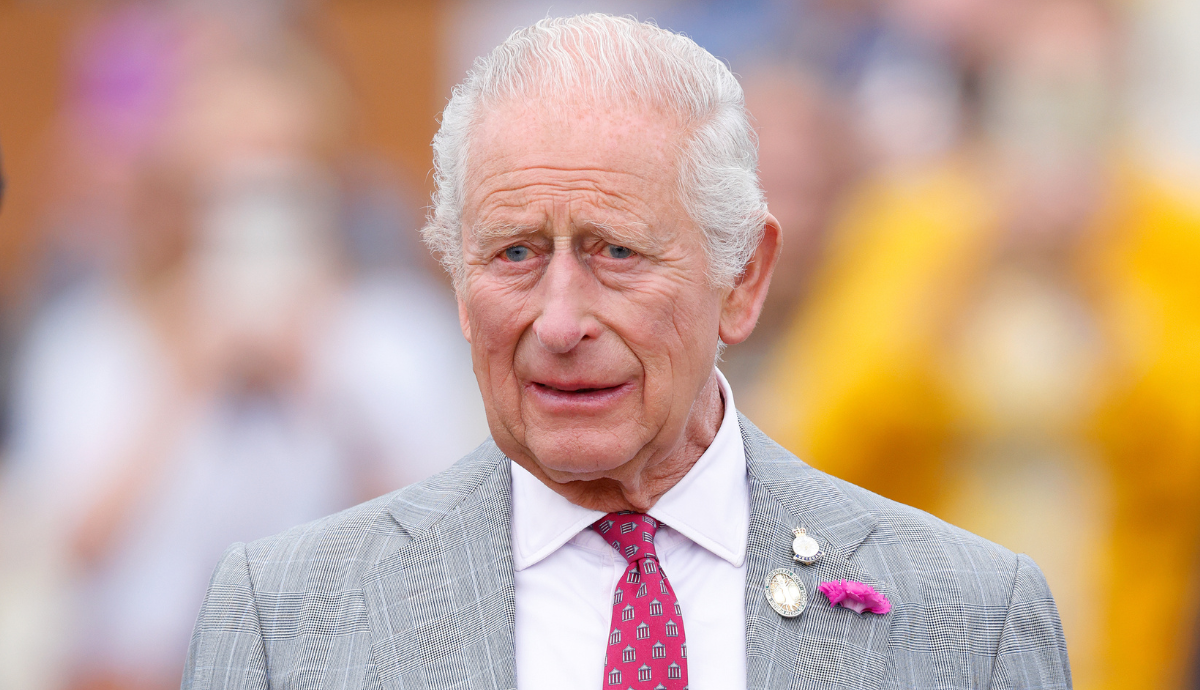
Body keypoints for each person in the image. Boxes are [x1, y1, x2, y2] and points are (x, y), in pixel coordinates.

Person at [183, 15, 1071, 689]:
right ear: (457, 282)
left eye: (616, 252)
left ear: (743, 278)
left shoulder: (969, 619)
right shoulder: (284, 619)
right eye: (515, 253)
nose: (560, 321)